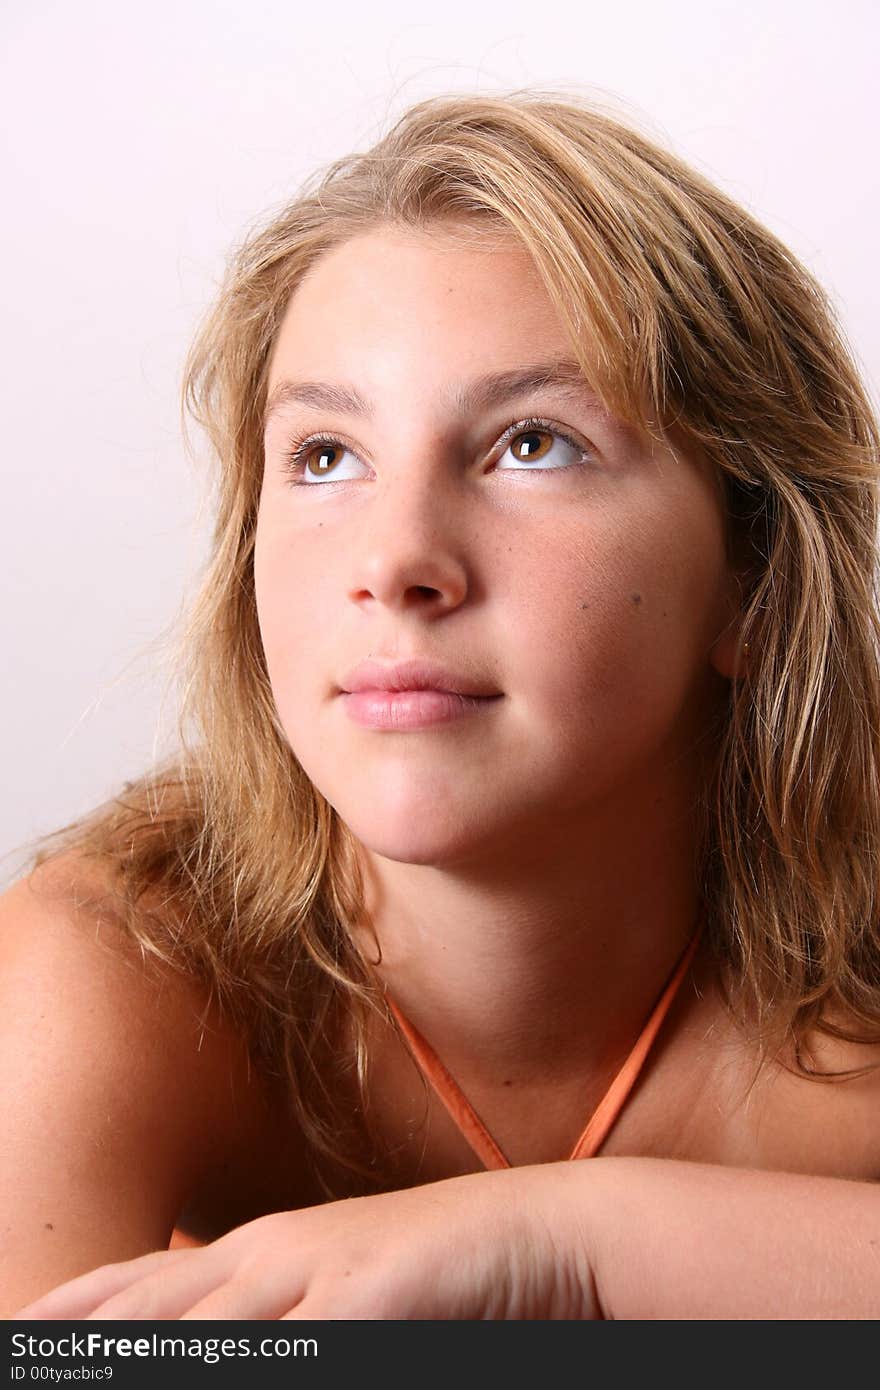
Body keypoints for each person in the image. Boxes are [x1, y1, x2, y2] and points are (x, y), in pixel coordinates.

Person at [3, 87, 880, 1321]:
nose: (396, 559)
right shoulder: (121, 961)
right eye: (324, 456)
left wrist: (581, 1242)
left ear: (754, 576)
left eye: (533, 443)